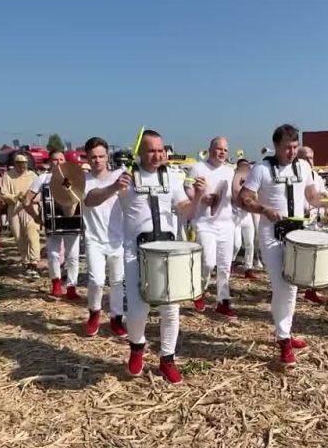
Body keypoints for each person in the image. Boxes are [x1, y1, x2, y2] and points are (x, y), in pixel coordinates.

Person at [237, 124, 326, 366]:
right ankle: (284, 340)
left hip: (297, 234)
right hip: (272, 235)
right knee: (282, 285)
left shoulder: (304, 166)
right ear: (276, 146)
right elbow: (243, 198)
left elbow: (310, 195)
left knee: (293, 285)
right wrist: (263, 208)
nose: (292, 152)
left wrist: (326, 202)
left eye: (295, 147)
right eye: (288, 148)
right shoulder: (262, 169)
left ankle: (283, 332)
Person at [118, 130, 201, 383]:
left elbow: (184, 212)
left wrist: (196, 198)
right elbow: (90, 198)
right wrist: (113, 187)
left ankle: (167, 359)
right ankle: (137, 348)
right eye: (151, 150)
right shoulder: (127, 178)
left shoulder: (173, 178)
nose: (157, 155)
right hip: (136, 252)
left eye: (160, 150)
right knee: (136, 311)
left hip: (167, 251)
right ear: (140, 152)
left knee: (170, 309)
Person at [80, 137, 128, 338]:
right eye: (93, 157)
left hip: (118, 238)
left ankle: (117, 318)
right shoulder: (82, 180)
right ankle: (94, 313)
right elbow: (91, 200)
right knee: (97, 280)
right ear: (87, 158)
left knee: (117, 281)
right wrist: (115, 187)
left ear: (107, 156)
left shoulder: (121, 175)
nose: (97, 160)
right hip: (94, 239)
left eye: (101, 156)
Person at [186, 137, 238, 318]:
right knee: (208, 262)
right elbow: (188, 190)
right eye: (219, 149)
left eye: (225, 150)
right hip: (205, 222)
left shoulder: (230, 171)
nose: (222, 152)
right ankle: (199, 291)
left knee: (224, 265)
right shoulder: (198, 168)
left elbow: (235, 195)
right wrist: (201, 197)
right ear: (210, 149)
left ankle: (223, 301)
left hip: (226, 223)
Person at [25, 150, 82, 300]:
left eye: (61, 159)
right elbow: (26, 200)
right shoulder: (43, 178)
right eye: (55, 160)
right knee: (53, 254)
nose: (58, 163)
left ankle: (71, 287)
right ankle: (56, 284)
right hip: (52, 222)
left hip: (72, 222)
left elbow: (82, 199)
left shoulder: (74, 177)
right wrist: (36, 217)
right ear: (50, 162)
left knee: (73, 256)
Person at [297, 146, 328, 305]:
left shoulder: (317, 177)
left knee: (314, 258)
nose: (309, 161)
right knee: (297, 257)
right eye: (305, 158)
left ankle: (311, 291)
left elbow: (323, 195)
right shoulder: (295, 175)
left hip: (314, 221)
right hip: (298, 220)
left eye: (311, 158)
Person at [1, 151, 42, 277]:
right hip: (14, 209)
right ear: (15, 164)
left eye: (24, 163)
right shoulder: (8, 176)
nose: (21, 166)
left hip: (30, 208)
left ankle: (34, 263)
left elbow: (39, 192)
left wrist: (31, 199)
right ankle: (26, 262)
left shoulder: (33, 176)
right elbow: (3, 194)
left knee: (32, 234)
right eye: (18, 163)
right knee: (19, 237)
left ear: (27, 163)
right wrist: (15, 197)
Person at [231, 158, 258, 280]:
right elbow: (233, 197)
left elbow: (255, 197)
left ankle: (248, 268)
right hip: (235, 216)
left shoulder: (251, 181)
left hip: (247, 216)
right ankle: (230, 263)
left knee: (250, 244)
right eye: (243, 167)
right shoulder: (232, 178)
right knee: (237, 244)